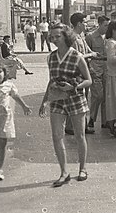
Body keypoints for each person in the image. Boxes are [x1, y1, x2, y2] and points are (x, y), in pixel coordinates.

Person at [39, 23, 93, 186]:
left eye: (58, 36)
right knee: (57, 136)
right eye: (52, 36)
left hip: (75, 99)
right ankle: (64, 172)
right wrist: (44, 101)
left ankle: (82, 168)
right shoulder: (51, 57)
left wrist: (74, 86)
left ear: (66, 36)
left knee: (79, 135)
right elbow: (51, 80)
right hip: (57, 100)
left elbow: (88, 80)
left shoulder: (77, 56)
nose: (54, 39)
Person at [65, 12, 98, 135]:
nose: (86, 24)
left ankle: (82, 126)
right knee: (76, 99)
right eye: (84, 22)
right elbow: (76, 57)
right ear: (79, 24)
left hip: (84, 73)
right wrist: (91, 55)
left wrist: (94, 54)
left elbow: (88, 50)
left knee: (82, 100)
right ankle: (70, 127)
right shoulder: (73, 38)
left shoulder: (81, 36)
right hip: (76, 74)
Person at [85, 15, 110, 129]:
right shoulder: (90, 37)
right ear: (99, 24)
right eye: (105, 25)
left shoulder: (109, 37)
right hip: (95, 69)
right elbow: (87, 54)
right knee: (97, 96)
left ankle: (105, 121)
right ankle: (92, 118)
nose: (107, 28)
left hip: (107, 68)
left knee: (106, 96)